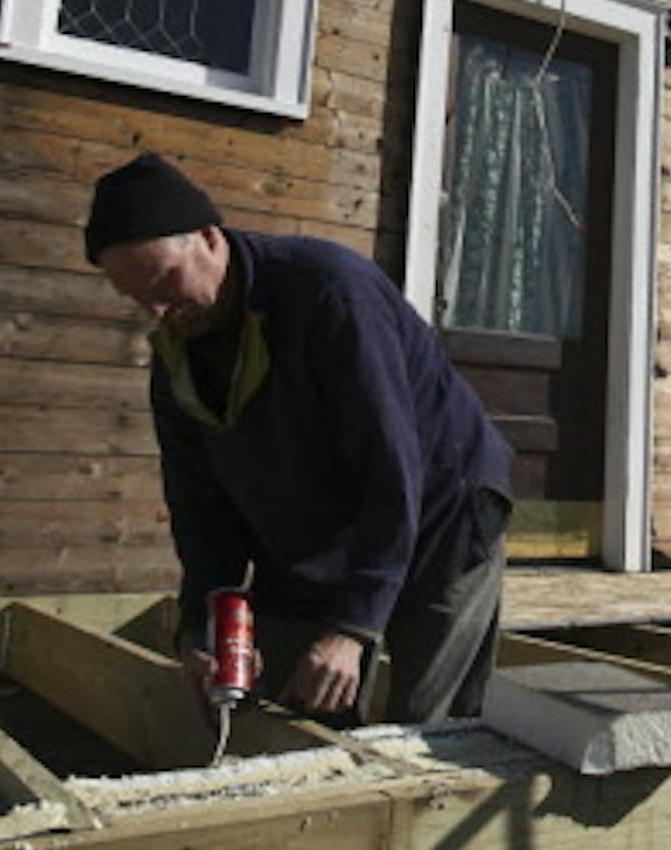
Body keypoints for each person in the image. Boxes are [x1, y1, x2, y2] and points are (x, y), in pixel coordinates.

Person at [83, 152, 514, 724]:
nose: (157, 308)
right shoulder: (177, 358)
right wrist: (202, 624)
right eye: (138, 297)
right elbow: (201, 508)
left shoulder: (331, 295)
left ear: (210, 239)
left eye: (165, 280)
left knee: (423, 734)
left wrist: (354, 630)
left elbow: (391, 471)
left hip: (442, 517)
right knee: (288, 712)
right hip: (318, 546)